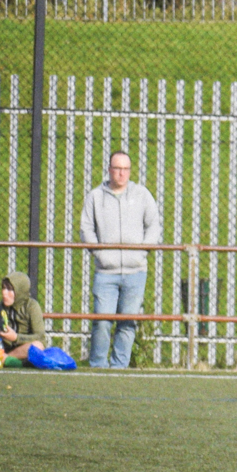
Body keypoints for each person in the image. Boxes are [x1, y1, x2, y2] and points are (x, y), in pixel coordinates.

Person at [78, 147, 161, 369]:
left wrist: (143, 250)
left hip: (136, 271)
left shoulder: (142, 195)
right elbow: (86, 228)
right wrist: (99, 253)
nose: (121, 173)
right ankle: (98, 365)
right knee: (102, 321)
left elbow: (154, 225)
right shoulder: (95, 196)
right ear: (109, 170)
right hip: (106, 271)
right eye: (117, 168)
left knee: (128, 321)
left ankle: (119, 367)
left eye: (125, 169)